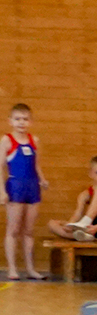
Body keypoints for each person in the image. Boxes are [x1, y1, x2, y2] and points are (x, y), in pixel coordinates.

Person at [4, 103, 46, 280]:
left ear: (30, 121)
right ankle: (12, 268)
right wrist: (1, 191)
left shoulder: (34, 140)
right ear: (11, 121)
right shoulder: (7, 140)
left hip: (32, 185)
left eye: (25, 119)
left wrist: (42, 179)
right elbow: (0, 167)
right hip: (15, 185)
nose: (21, 122)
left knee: (29, 230)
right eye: (17, 119)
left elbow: (36, 164)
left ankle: (30, 269)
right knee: (13, 229)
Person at [50, 156, 97, 242]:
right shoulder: (84, 194)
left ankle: (85, 222)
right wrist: (69, 226)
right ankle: (85, 236)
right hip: (92, 227)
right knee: (52, 224)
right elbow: (77, 214)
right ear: (91, 174)